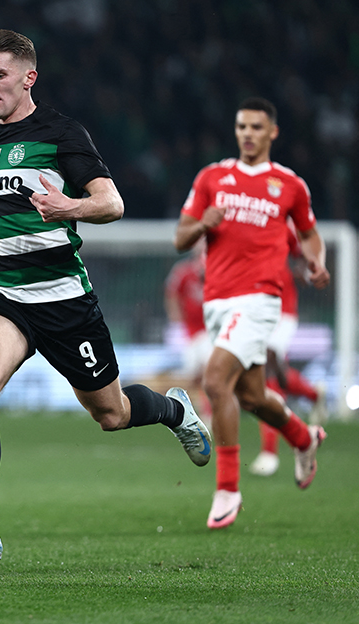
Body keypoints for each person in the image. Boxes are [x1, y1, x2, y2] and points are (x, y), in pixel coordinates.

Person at [0, 29, 211, 564]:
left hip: (61, 297)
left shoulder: (61, 133)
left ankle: (174, 410)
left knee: (112, 413)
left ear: (29, 77)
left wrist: (68, 208)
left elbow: (111, 203)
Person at [174, 97, 330, 530]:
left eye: (256, 127)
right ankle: (303, 437)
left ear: (272, 132)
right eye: (242, 126)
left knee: (215, 380)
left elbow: (310, 234)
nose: (247, 133)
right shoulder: (212, 177)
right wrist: (203, 223)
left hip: (261, 299)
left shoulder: (290, 184)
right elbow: (181, 238)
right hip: (217, 302)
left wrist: (315, 261)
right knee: (252, 397)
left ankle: (227, 488)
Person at [251, 223, 327, 476]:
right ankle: (312, 394)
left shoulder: (280, 221)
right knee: (270, 377)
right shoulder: (239, 215)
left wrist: (308, 269)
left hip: (281, 309)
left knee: (266, 371)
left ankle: (269, 452)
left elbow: (306, 249)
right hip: (252, 309)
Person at [163, 243, 211, 419]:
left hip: (210, 331)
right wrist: (175, 317)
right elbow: (172, 293)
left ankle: (207, 411)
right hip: (189, 331)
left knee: (207, 371)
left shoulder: (217, 271)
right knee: (192, 376)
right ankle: (181, 408)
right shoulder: (183, 271)